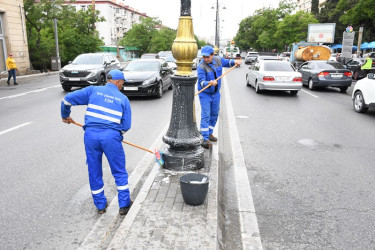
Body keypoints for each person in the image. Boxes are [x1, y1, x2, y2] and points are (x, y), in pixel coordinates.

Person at [60, 69, 132, 215]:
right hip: (111, 137)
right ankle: (124, 205)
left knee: (94, 170)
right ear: (118, 82)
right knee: (119, 170)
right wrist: (117, 135)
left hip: (91, 136)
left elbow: (67, 100)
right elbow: (126, 126)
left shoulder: (93, 90)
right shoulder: (123, 99)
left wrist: (65, 115)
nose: (122, 86)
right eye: (122, 83)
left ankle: (100, 205)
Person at [197, 45, 241, 149]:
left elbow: (228, 63)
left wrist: (235, 61)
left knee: (214, 113)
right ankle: (204, 138)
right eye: (204, 57)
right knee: (206, 115)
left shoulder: (218, 60)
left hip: (216, 94)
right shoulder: (201, 66)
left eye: (208, 57)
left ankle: (210, 133)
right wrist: (209, 82)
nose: (206, 59)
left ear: (213, 55)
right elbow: (202, 82)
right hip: (205, 94)